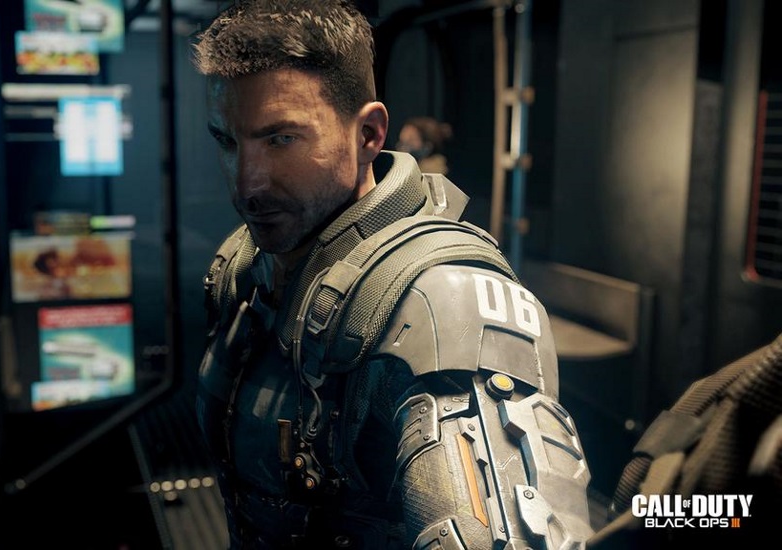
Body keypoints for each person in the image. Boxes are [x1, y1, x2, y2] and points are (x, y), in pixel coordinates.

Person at [192, 1, 594, 548]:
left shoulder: (440, 302)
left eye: (281, 139)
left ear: (368, 135)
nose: (247, 184)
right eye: (227, 141)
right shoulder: (244, 265)